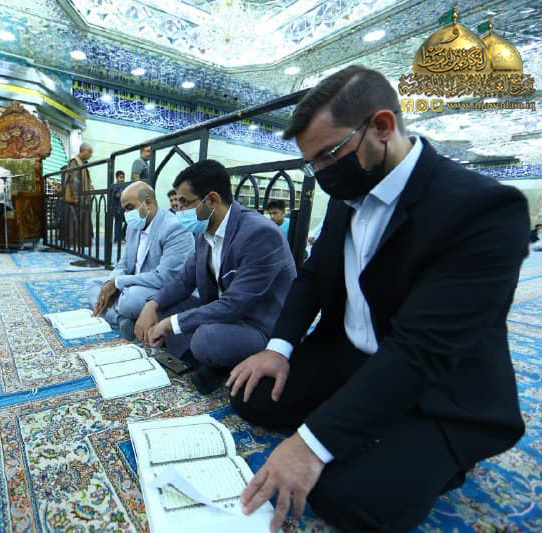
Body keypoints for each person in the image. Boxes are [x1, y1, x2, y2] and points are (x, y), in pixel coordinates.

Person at [226, 65, 529, 532]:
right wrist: (278, 348)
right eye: (312, 164)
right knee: (252, 396)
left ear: (382, 127)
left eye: (328, 155)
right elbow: (312, 277)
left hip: (438, 388)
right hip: (353, 356)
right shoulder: (349, 191)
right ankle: (363, 415)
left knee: (343, 496)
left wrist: (310, 444)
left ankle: (439, 453)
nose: (321, 174)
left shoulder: (481, 208)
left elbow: (422, 351)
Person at [137, 159, 296, 395]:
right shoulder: (205, 233)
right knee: (164, 309)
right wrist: (152, 303)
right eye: (177, 203)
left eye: (185, 203)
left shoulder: (259, 233)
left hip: (258, 325)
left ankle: (216, 361)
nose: (179, 211)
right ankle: (212, 362)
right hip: (224, 315)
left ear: (212, 199)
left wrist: (172, 324)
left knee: (205, 339)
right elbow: (184, 281)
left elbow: (234, 305)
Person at [86, 181, 194, 340]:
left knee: (130, 299)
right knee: (92, 285)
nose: (126, 214)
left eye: (130, 208)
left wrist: (118, 283)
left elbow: (164, 278)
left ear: (148, 203)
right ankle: (121, 319)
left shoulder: (175, 227)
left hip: (158, 289)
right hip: (133, 284)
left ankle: (117, 311)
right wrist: (111, 283)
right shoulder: (133, 226)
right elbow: (123, 263)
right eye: (124, 209)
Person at [62, 142, 94, 248]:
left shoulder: (83, 163)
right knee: (73, 222)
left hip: (83, 198)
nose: (90, 155)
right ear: (83, 151)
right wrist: (75, 197)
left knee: (82, 220)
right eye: (89, 152)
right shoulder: (74, 162)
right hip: (75, 198)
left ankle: (82, 242)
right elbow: (74, 180)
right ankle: (72, 243)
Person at [112, 170, 126, 244]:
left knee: (128, 222)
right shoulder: (115, 186)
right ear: (117, 178)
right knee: (118, 223)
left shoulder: (124, 185)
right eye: (121, 177)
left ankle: (121, 237)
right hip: (117, 208)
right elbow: (117, 195)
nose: (122, 179)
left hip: (123, 208)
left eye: (123, 177)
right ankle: (117, 239)